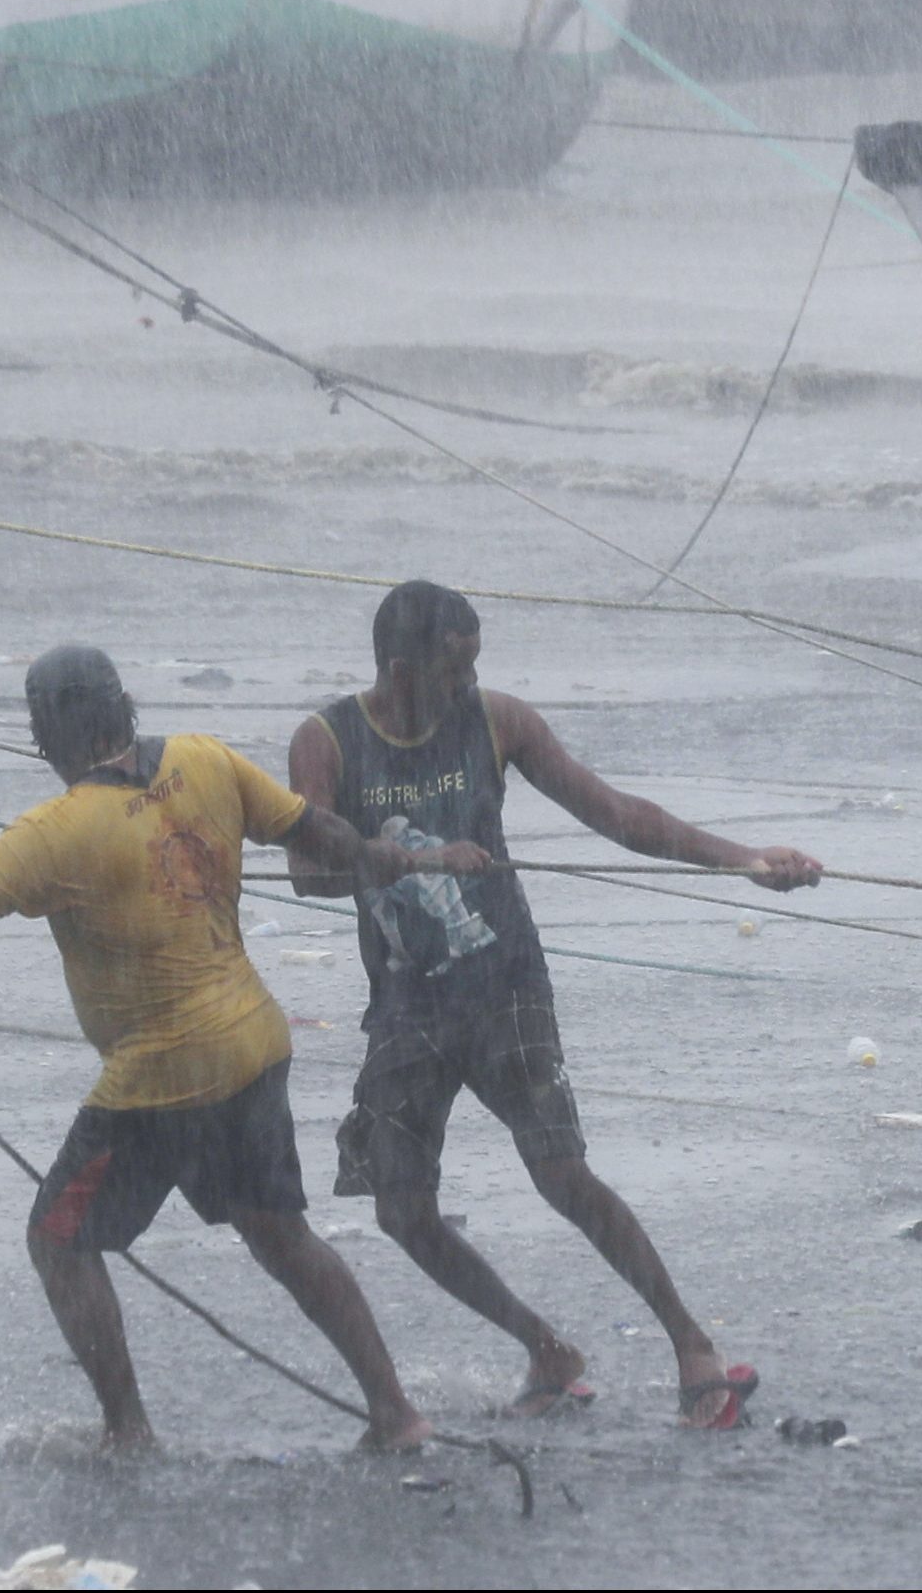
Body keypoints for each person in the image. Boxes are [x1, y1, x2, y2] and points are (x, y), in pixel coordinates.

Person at [0, 644, 450, 1457]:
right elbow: (315, 829)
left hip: (162, 1076)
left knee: (59, 1240)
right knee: (282, 1235)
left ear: (47, 732)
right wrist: (381, 856)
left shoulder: (56, 831)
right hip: (255, 1043)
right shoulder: (204, 759)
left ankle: (128, 1431)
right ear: (124, 709)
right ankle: (396, 1412)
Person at [290, 580, 824, 1429]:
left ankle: (690, 1343)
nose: (469, 684)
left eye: (474, 666)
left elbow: (618, 817)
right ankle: (546, 1348)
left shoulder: (500, 721)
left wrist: (745, 861)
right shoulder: (328, 741)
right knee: (401, 1212)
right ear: (402, 668)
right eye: (455, 668)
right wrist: (410, 862)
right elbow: (307, 871)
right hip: (404, 1003)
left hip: (505, 984)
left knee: (562, 1176)